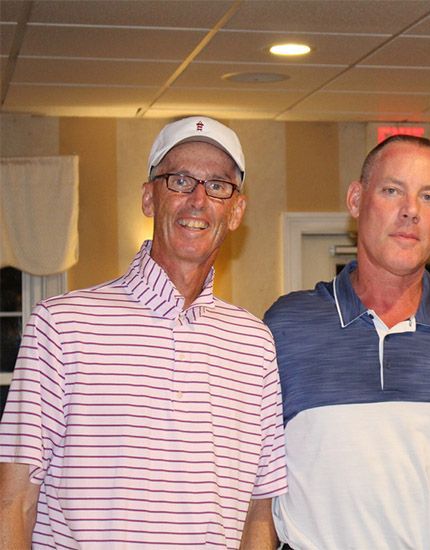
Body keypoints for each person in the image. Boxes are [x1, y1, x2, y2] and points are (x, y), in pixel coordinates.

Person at [0, 116, 287, 549]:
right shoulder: (61, 326)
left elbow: (258, 513)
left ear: (236, 211)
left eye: (218, 186)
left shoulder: (254, 344)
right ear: (149, 198)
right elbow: (14, 500)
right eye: (180, 180)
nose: (198, 200)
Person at [263, 134, 430, 549]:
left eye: (428, 197)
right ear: (356, 199)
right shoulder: (286, 326)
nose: (410, 211)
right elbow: (260, 486)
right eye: (392, 190)